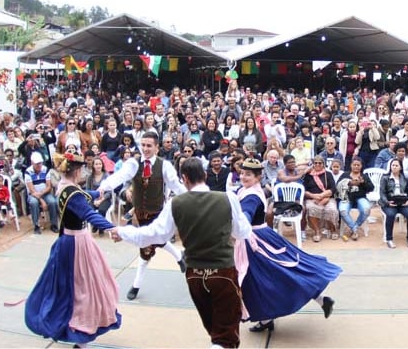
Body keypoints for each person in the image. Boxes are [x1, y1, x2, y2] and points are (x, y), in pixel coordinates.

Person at [111, 158, 253, 348]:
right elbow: (242, 232)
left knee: (215, 332)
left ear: (184, 179)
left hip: (194, 275)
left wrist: (123, 231)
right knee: (225, 336)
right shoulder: (227, 198)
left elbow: (154, 234)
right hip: (223, 273)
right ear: (205, 175)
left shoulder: (175, 204)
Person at [23, 152, 121, 347]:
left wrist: (97, 193)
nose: (84, 171)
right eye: (82, 168)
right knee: (84, 288)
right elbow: (89, 213)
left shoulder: (64, 186)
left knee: (73, 286)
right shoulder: (73, 194)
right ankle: (81, 332)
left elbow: (81, 195)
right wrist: (113, 228)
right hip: (77, 244)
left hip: (69, 240)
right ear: (76, 171)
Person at [232, 159, 339, 333]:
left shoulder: (251, 196)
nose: (244, 177)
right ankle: (267, 318)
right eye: (243, 173)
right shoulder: (245, 190)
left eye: (249, 175)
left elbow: (246, 214)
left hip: (256, 242)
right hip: (258, 239)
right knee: (270, 277)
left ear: (258, 177)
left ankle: (319, 301)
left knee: (274, 277)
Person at [97, 131, 187, 301]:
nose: (145, 149)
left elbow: (176, 185)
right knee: (157, 241)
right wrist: (104, 187)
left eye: (149, 146)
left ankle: (136, 285)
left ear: (157, 148)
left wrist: (192, 198)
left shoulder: (164, 166)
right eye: (143, 145)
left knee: (145, 249)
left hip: (158, 213)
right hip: (139, 213)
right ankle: (178, 256)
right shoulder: (133, 163)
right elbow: (119, 176)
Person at [379, 158, 408, 248]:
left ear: (400, 167)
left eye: (396, 165)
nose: (394, 167)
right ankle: (389, 239)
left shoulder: (405, 178)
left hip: (403, 202)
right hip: (389, 202)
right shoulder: (385, 178)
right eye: (393, 165)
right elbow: (382, 193)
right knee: (390, 215)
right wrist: (387, 202)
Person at [336, 157, 374, 241]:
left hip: (360, 197)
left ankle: (354, 227)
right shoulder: (345, 175)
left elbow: (371, 188)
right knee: (342, 210)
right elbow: (337, 186)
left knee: (366, 209)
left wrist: (363, 183)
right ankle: (354, 229)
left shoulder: (364, 176)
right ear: (351, 165)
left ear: (361, 166)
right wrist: (349, 183)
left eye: (358, 165)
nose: (356, 166)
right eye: (354, 165)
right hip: (346, 197)